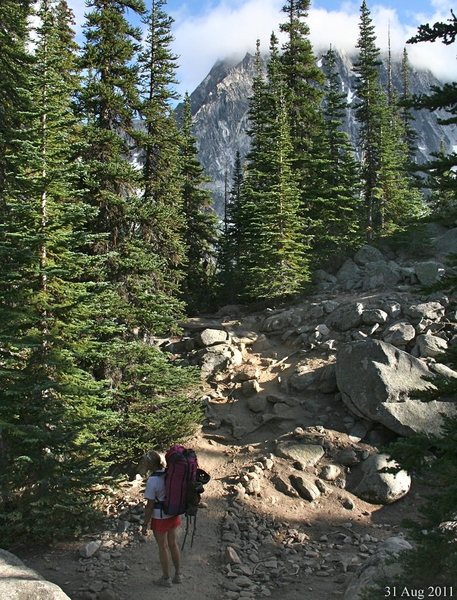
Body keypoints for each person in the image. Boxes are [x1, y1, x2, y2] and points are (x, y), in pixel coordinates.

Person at [141, 450, 182, 588]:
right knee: (173, 544)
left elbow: (150, 505)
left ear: (148, 465)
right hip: (172, 512)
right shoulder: (168, 472)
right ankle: (178, 574)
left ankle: (166, 578)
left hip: (160, 517)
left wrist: (145, 524)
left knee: (163, 547)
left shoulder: (152, 481)